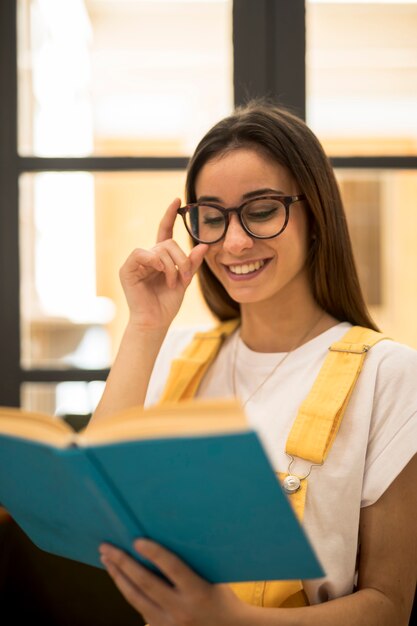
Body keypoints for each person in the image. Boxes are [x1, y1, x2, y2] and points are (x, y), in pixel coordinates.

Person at [91, 101, 417, 625]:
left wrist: (232, 621)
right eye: (212, 218)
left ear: (316, 216)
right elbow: (98, 503)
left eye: (262, 210)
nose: (234, 242)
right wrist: (146, 325)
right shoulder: (175, 358)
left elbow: (388, 606)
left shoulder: (389, 375)